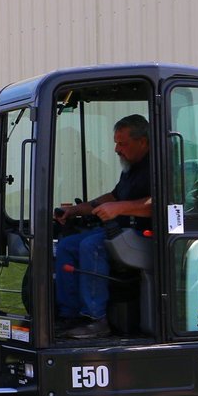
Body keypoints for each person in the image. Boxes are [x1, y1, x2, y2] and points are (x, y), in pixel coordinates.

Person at [53, 114, 152, 338]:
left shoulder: (159, 165)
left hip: (148, 235)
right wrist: (74, 211)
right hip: (122, 231)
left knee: (92, 246)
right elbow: (113, 196)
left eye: (122, 143)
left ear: (143, 142)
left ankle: (96, 319)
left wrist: (120, 208)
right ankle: (69, 316)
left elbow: (162, 203)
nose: (116, 149)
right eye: (116, 143)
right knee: (68, 245)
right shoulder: (131, 167)